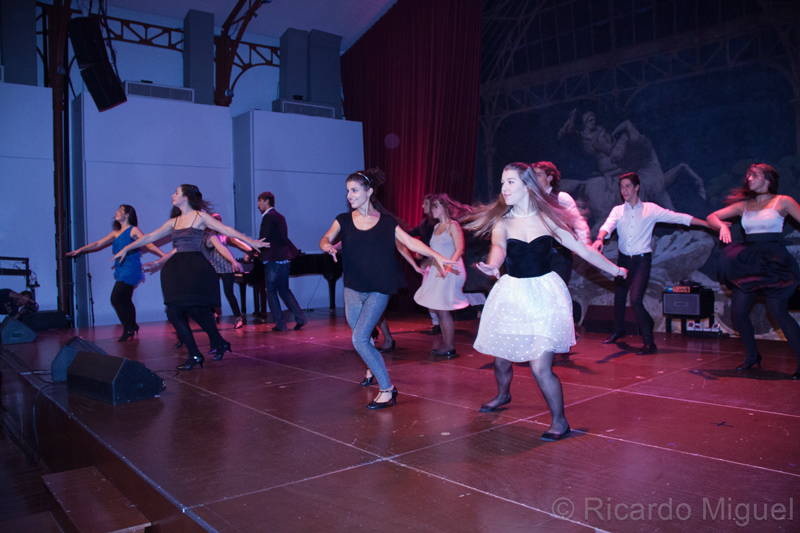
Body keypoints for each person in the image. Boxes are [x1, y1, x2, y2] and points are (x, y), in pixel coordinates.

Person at [465, 162, 627, 441]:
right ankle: (503, 394)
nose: (504, 188)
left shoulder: (547, 220)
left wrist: (615, 270)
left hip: (542, 296)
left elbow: (581, 249)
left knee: (541, 368)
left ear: (527, 185)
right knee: (502, 361)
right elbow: (498, 249)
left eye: (510, 182)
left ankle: (560, 421)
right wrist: (493, 267)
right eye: (502, 183)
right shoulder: (503, 223)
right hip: (512, 295)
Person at [320, 168, 455, 409]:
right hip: (352, 288)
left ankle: (387, 389)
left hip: (379, 289)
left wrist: (437, 256)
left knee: (360, 339)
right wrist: (326, 246)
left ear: (369, 191)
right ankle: (372, 369)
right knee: (361, 337)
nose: (349, 195)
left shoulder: (386, 222)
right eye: (348, 191)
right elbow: (326, 238)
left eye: (354, 190)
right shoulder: (343, 219)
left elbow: (410, 242)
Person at [112, 185, 267, 370]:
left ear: (185, 197)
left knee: (180, 311)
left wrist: (252, 242)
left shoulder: (200, 217)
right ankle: (217, 344)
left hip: (195, 268)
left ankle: (197, 353)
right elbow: (150, 237)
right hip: (178, 269)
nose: (172, 195)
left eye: (176, 192)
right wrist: (127, 248)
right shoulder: (174, 222)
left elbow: (226, 230)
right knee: (184, 311)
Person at [593, 172, 708, 355]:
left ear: (637, 187)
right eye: (621, 187)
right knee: (620, 297)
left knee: (636, 299)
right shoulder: (618, 210)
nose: (624, 190)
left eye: (628, 186)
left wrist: (706, 224)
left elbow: (678, 217)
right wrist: (600, 239)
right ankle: (618, 330)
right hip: (623, 260)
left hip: (641, 261)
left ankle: (649, 342)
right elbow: (607, 227)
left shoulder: (650, 209)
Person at [706, 163, 800, 379]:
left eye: (754, 175)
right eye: (748, 175)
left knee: (779, 313)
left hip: (773, 261)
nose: (749, 178)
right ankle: (752, 355)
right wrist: (721, 226)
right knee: (738, 310)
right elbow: (712, 216)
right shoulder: (744, 206)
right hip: (749, 262)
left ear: (767, 179)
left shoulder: (783, 201)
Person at [67, 205, 166, 341]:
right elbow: (98, 243)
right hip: (121, 268)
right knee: (125, 298)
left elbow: (148, 243)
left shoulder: (134, 230)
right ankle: (133, 325)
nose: (116, 213)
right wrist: (80, 250)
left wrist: (164, 256)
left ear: (127, 215)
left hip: (130, 268)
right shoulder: (116, 233)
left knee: (115, 298)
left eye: (120, 211)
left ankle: (128, 329)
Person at [413, 194, 471, 358]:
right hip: (439, 271)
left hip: (451, 271)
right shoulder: (437, 226)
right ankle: (447, 345)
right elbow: (435, 253)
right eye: (431, 207)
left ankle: (449, 346)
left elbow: (459, 249)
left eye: (435, 206)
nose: (432, 210)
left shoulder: (453, 226)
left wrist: (447, 267)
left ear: (445, 208)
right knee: (440, 309)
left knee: (443, 309)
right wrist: (426, 264)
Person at [256, 192, 307, 332]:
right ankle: (301, 318)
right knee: (284, 290)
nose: (258, 204)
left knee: (271, 292)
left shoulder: (268, 217)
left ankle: (280, 324)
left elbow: (263, 239)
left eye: (259, 201)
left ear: (266, 201)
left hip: (273, 259)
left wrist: (251, 252)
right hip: (284, 259)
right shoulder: (280, 216)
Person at [206, 213, 252, 329]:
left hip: (226, 268)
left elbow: (239, 243)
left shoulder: (225, 236)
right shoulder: (208, 236)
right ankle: (213, 313)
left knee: (229, 293)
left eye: (217, 221)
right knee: (210, 292)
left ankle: (238, 318)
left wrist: (250, 251)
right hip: (214, 268)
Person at [408, 194, 440, 335]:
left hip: (434, 263)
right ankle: (436, 323)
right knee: (428, 292)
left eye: (425, 204)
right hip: (427, 262)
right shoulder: (424, 222)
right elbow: (411, 233)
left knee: (434, 293)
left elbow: (434, 243)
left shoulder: (438, 224)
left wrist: (422, 252)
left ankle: (440, 323)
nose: (422, 207)